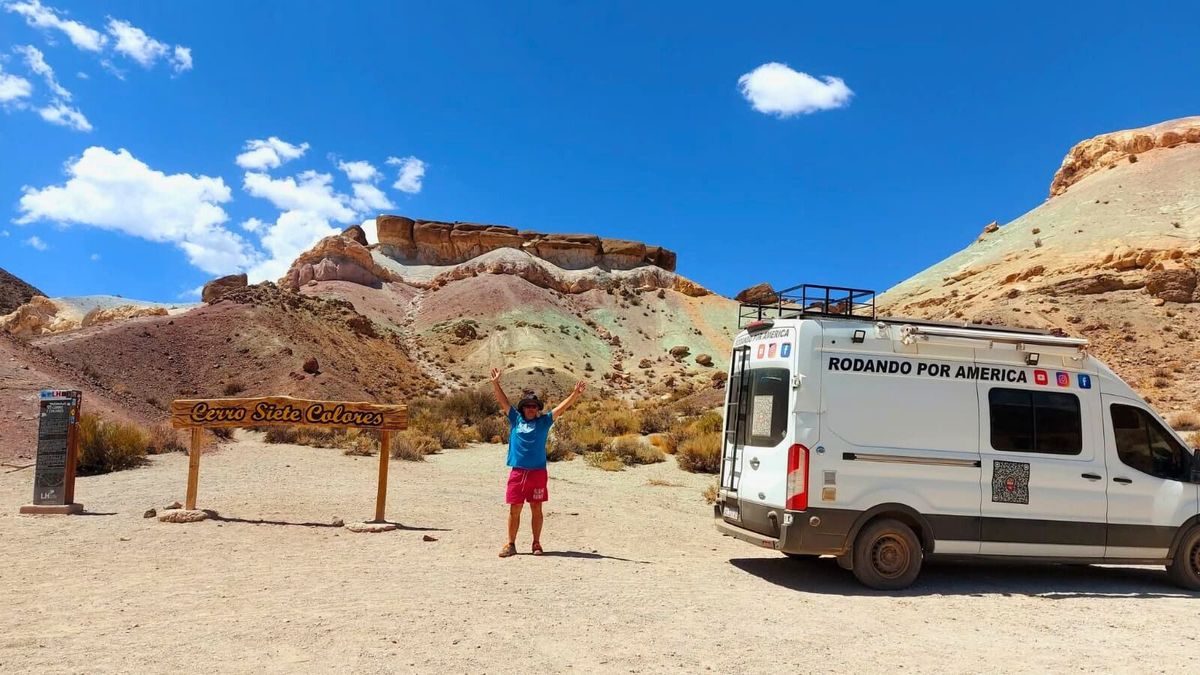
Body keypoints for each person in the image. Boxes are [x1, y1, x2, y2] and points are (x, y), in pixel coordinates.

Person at [489, 367, 585, 558]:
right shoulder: (515, 419)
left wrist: (575, 394)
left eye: (534, 406)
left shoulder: (544, 421)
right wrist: (495, 383)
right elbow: (503, 401)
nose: (531, 409)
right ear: (523, 408)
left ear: (537, 408)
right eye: (527, 406)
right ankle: (511, 544)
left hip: (537, 473)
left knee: (536, 508)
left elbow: (562, 408)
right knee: (515, 508)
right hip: (518, 473)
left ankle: (536, 543)